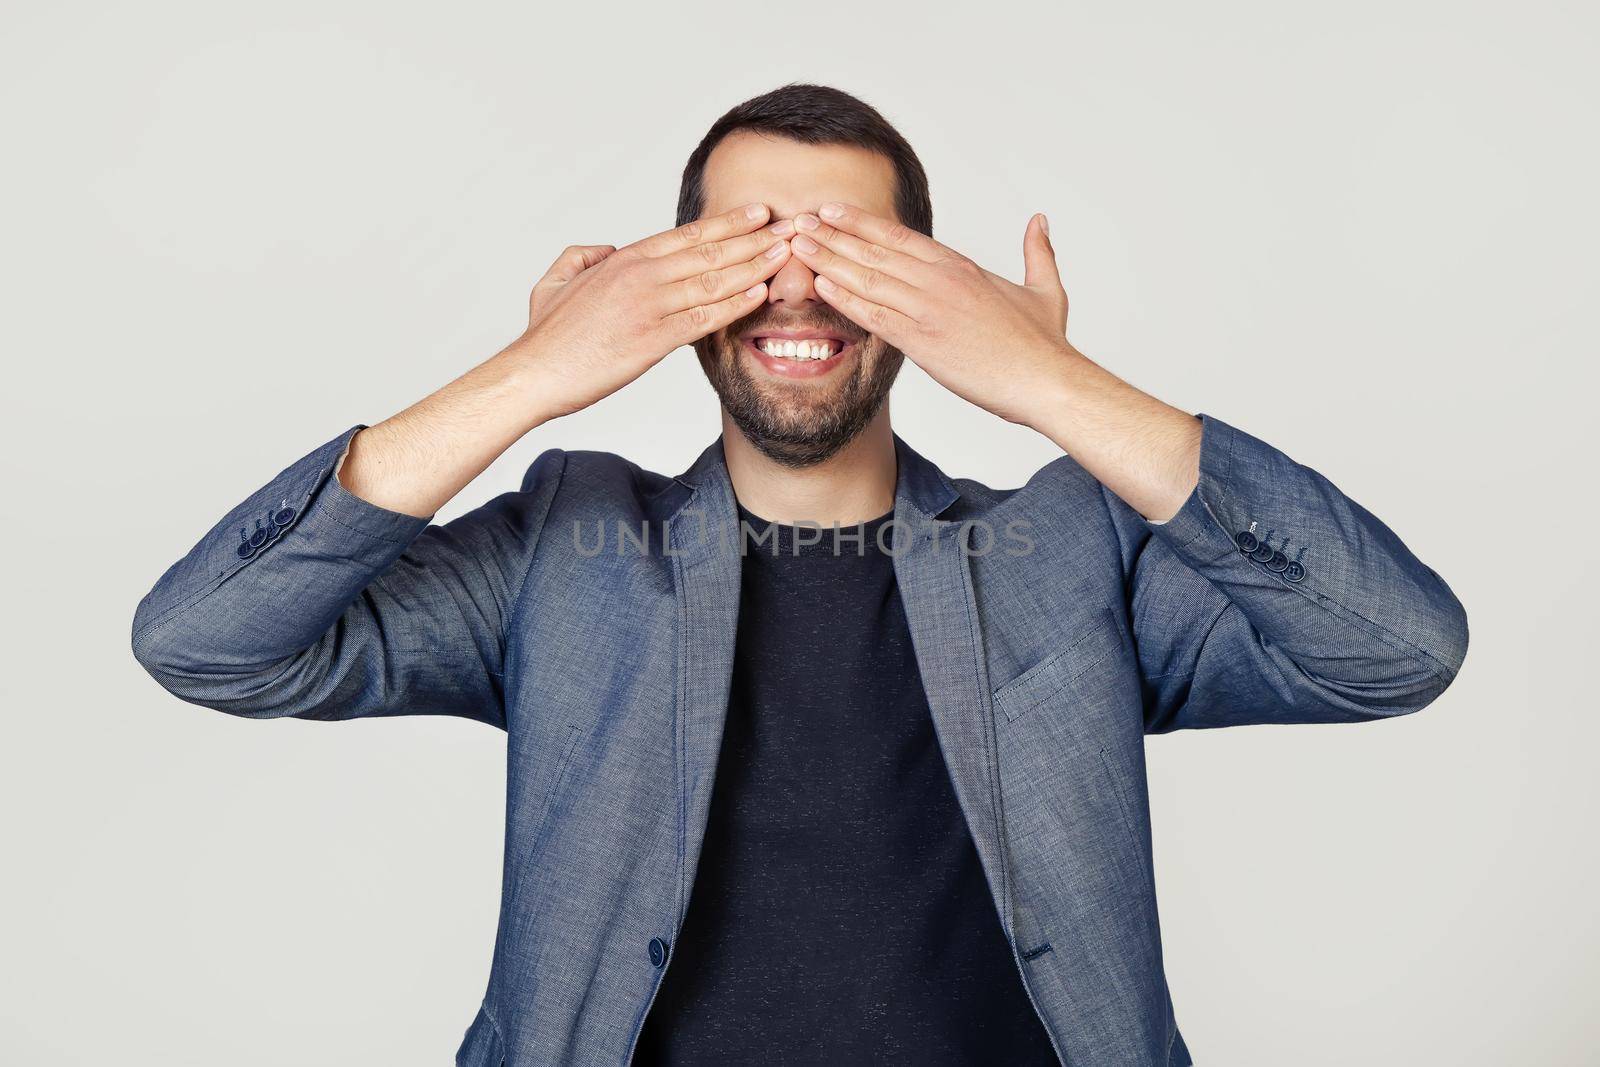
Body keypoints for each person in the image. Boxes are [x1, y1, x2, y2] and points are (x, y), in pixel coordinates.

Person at [130, 83, 1469, 1067]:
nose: (796, 292)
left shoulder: (1075, 546)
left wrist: (1054, 386)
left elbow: (1395, 647)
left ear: (927, 289)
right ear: (669, 286)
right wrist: (531, 378)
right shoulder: (570, 544)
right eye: (746, 247)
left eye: (848, 253)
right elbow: (208, 640)